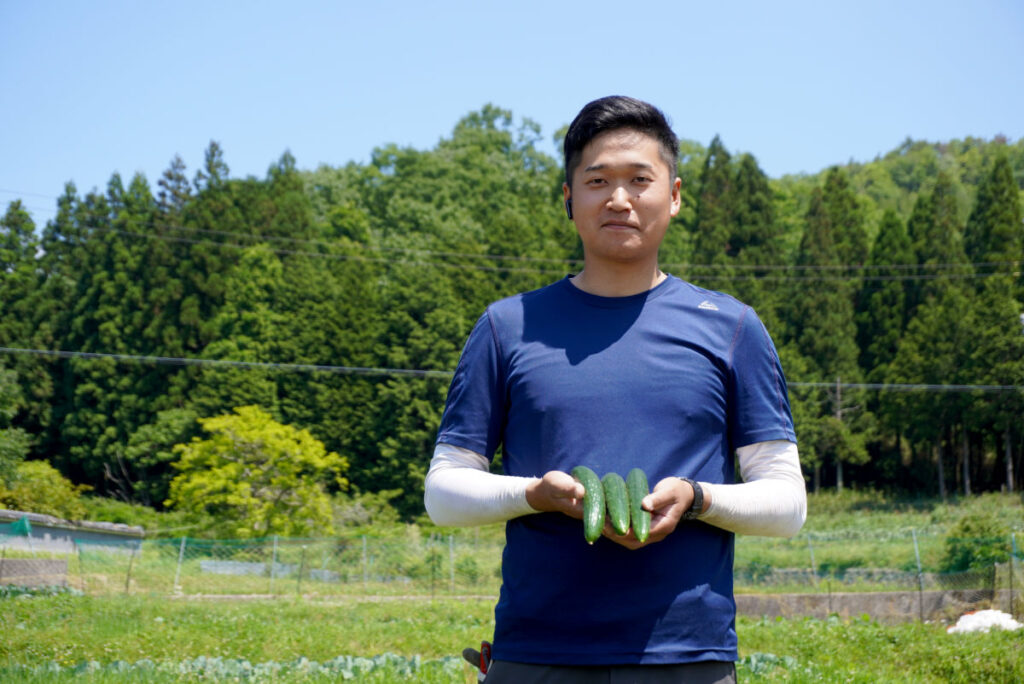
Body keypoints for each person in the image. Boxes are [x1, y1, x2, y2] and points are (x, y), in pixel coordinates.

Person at [424, 95, 806, 683]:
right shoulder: (507, 326)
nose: (619, 199)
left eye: (640, 180)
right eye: (597, 180)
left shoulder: (730, 327)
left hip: (688, 657)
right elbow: (443, 494)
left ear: (674, 196)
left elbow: (786, 504)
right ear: (569, 199)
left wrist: (697, 498)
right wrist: (536, 494)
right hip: (538, 651)